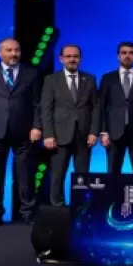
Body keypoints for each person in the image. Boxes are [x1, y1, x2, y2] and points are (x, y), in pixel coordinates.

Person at [0, 38, 42, 227]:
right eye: (9, 50)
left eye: (17, 50)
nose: (14, 54)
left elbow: (38, 103)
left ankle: (27, 212)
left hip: (24, 131)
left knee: (26, 175)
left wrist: (37, 126)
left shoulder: (32, 73)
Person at [40, 44, 99, 207]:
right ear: (61, 59)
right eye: (68, 56)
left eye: (75, 56)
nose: (72, 59)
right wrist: (48, 134)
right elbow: (46, 108)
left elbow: (96, 107)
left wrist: (94, 132)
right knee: (58, 174)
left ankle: (80, 205)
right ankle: (58, 206)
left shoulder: (90, 79)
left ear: (80, 59)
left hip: (84, 135)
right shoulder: (51, 80)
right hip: (59, 134)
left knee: (83, 174)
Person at [97, 41, 133, 175]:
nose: (127, 56)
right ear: (118, 56)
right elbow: (101, 106)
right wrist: (103, 132)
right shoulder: (107, 78)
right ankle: (113, 191)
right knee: (113, 172)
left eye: (131, 53)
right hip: (113, 133)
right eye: (124, 53)